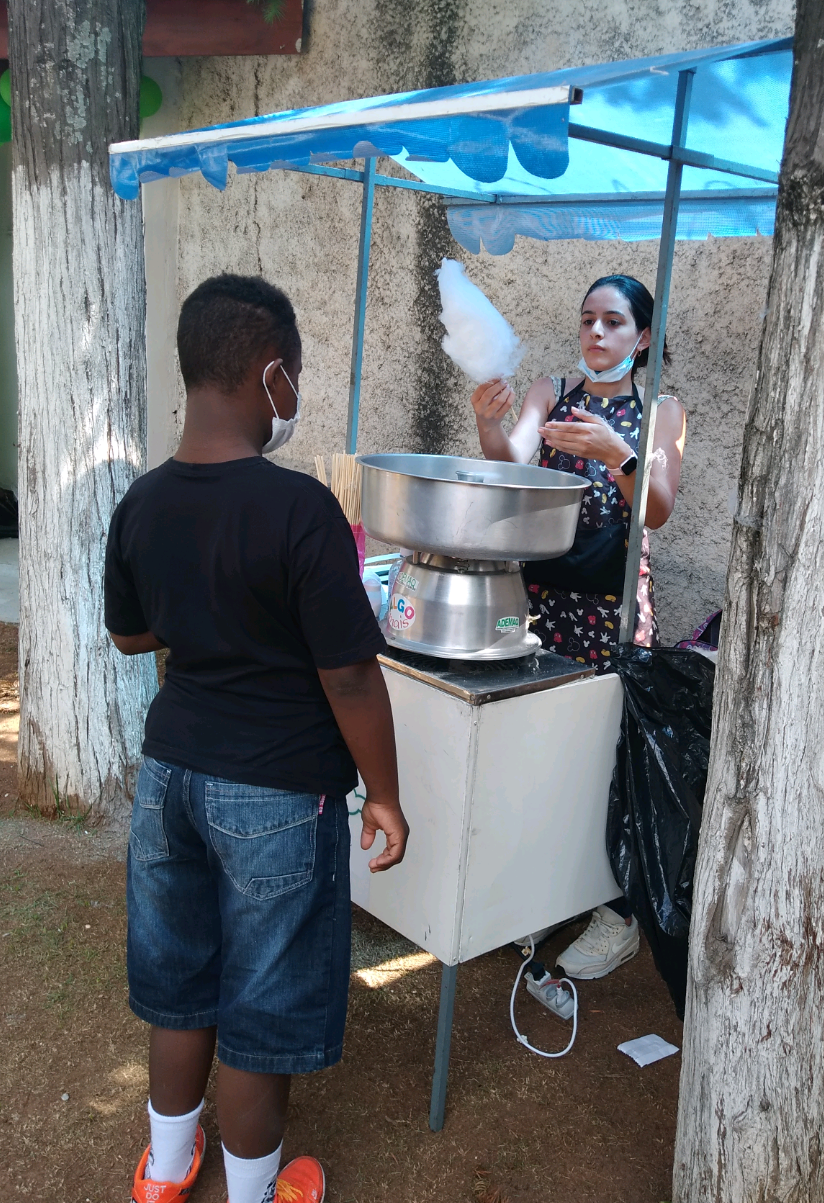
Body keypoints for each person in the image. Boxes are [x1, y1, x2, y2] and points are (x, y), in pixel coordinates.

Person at [105, 274, 408, 1203]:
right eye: (296, 377)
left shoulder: (142, 501)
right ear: (271, 375)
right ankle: (252, 1191)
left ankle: (164, 1169)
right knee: (260, 1008)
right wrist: (385, 794)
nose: (295, 393)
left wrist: (206, 615)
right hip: (276, 792)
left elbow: (130, 634)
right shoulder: (299, 508)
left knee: (180, 984)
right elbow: (349, 673)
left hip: (169, 780)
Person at [470, 273, 685, 980]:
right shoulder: (551, 390)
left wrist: (617, 454)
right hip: (541, 598)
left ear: (642, 337)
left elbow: (656, 510)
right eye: (588, 318)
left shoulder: (660, 410)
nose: (596, 332)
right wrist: (489, 423)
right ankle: (548, 889)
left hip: (610, 611)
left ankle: (614, 912)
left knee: (603, 756)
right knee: (540, 746)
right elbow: (512, 463)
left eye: (614, 321)